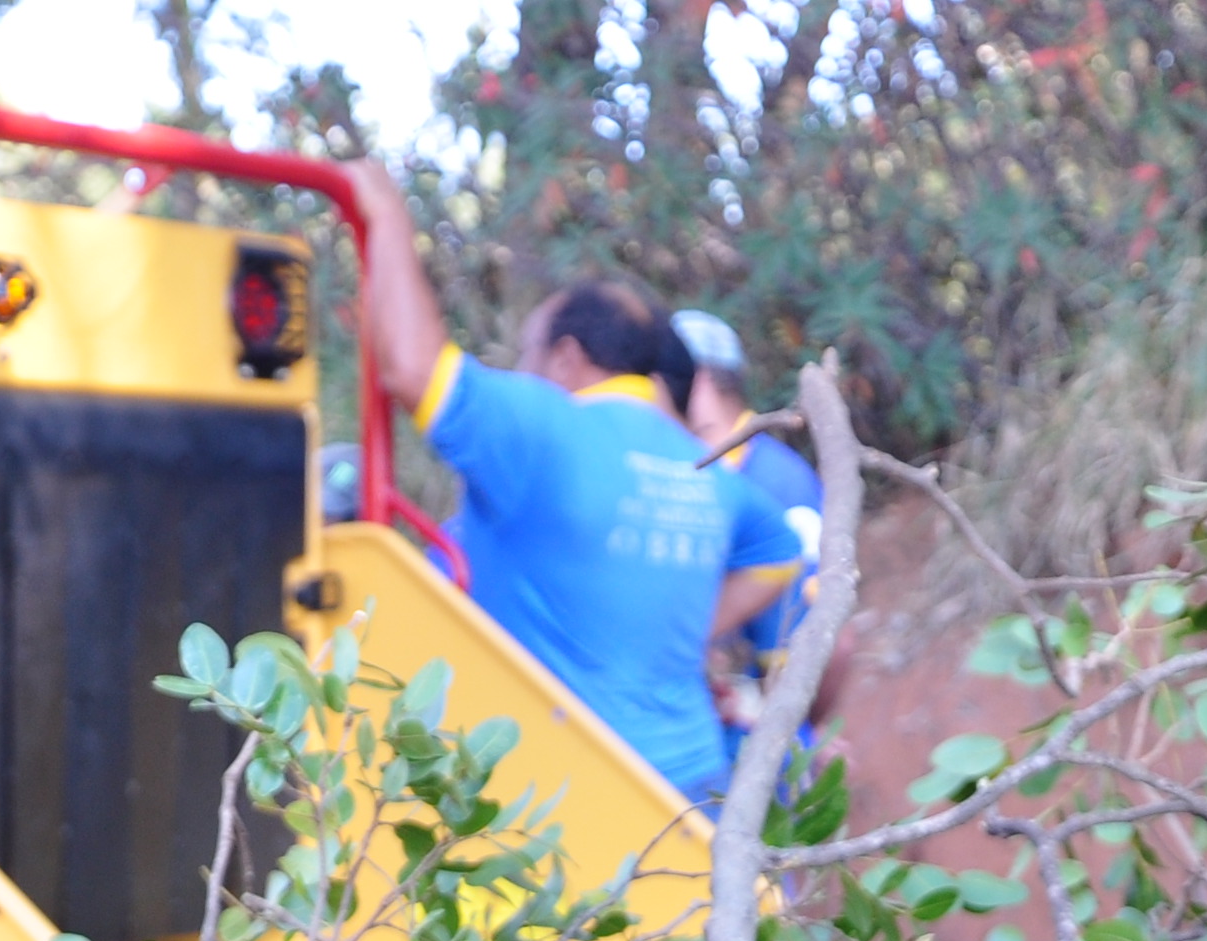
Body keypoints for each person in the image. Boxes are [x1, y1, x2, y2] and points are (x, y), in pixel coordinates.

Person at [344, 168, 801, 801]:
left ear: (566, 357)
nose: (521, 372)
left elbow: (411, 368)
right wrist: (673, 628)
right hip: (693, 792)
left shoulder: (546, 428)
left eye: (528, 353)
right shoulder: (706, 471)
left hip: (571, 802)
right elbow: (780, 555)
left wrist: (383, 211)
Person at [674, 307, 838, 748]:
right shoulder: (712, 472)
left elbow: (821, 643)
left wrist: (800, 734)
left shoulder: (775, 485)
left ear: (700, 382)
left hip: (760, 739)